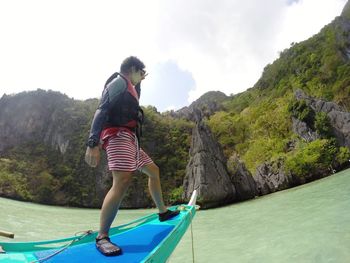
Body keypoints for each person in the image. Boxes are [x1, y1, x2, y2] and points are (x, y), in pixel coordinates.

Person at [85, 56, 179, 256]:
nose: (141, 77)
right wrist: (92, 143)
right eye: (140, 72)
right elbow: (101, 109)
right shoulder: (118, 82)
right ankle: (102, 236)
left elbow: (134, 101)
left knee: (153, 171)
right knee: (123, 179)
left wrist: (140, 83)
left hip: (131, 140)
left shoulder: (131, 87)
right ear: (132, 69)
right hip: (117, 135)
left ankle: (162, 212)